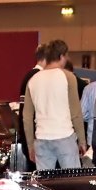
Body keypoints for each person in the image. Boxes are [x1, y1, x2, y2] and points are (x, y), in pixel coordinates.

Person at [22, 39, 86, 171]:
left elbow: (27, 117)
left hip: (41, 138)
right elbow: (75, 112)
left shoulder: (33, 80)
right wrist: (82, 140)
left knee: (44, 181)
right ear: (62, 56)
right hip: (64, 136)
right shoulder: (68, 77)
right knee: (72, 179)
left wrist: (30, 145)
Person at [17, 42, 47, 172]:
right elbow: (32, 113)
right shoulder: (38, 77)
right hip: (35, 137)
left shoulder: (29, 76)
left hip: (28, 136)